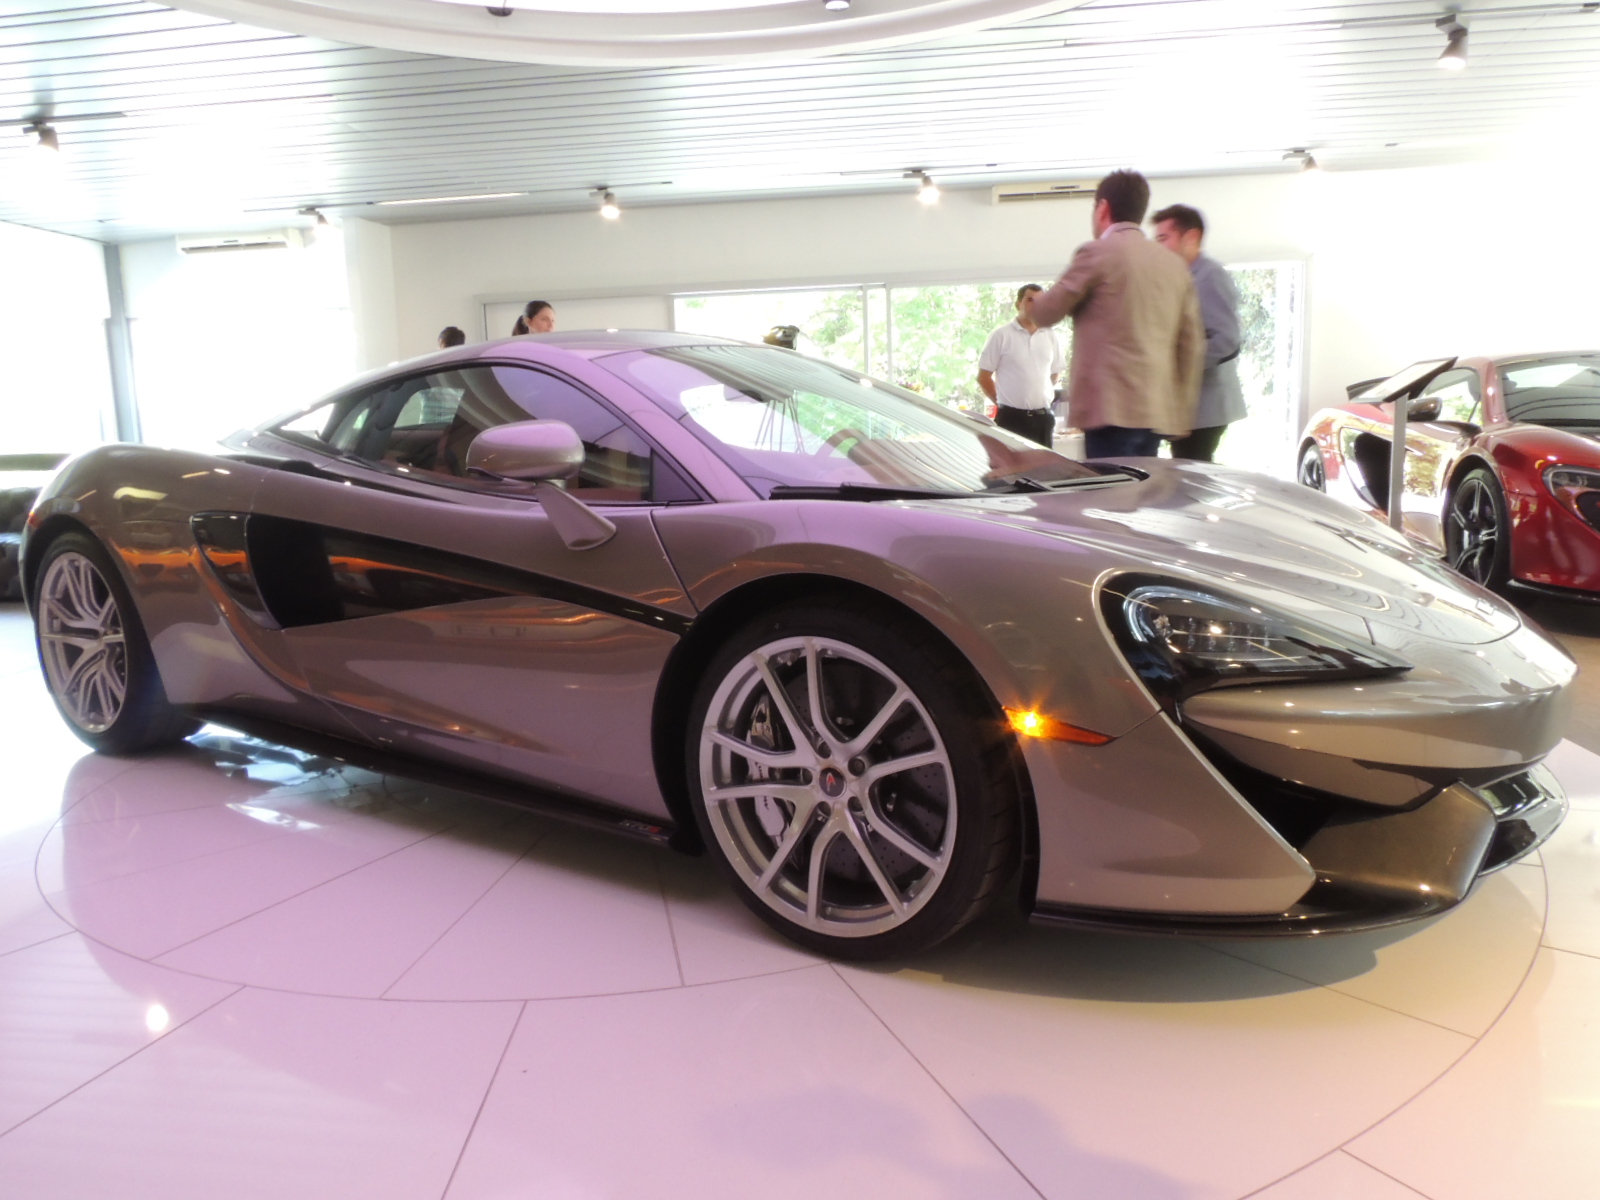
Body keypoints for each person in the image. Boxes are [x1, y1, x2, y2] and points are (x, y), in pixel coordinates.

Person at [1029, 170, 1205, 459]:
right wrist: (1181, 413)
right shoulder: (1174, 265)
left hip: (1109, 411)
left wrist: (1035, 302)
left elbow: (1046, 314)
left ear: (1103, 208)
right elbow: (1191, 345)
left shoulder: (1097, 253)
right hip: (1155, 413)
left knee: (1110, 488)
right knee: (1144, 485)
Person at [1151, 204, 1246, 462]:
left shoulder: (1209, 276)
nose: (1158, 247)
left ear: (1191, 237)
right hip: (1189, 405)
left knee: (1191, 472)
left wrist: (1179, 364)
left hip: (1206, 406)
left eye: (1163, 238)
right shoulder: (1181, 276)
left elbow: (1227, 340)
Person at [976, 284, 1065, 447]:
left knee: (1042, 463)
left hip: (1043, 419)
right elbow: (983, 377)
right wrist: (1001, 403)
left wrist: (1036, 391)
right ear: (1018, 304)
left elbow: (1055, 373)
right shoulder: (1001, 335)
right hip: (1011, 419)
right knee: (1011, 463)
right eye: (1030, 300)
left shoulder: (1050, 335)